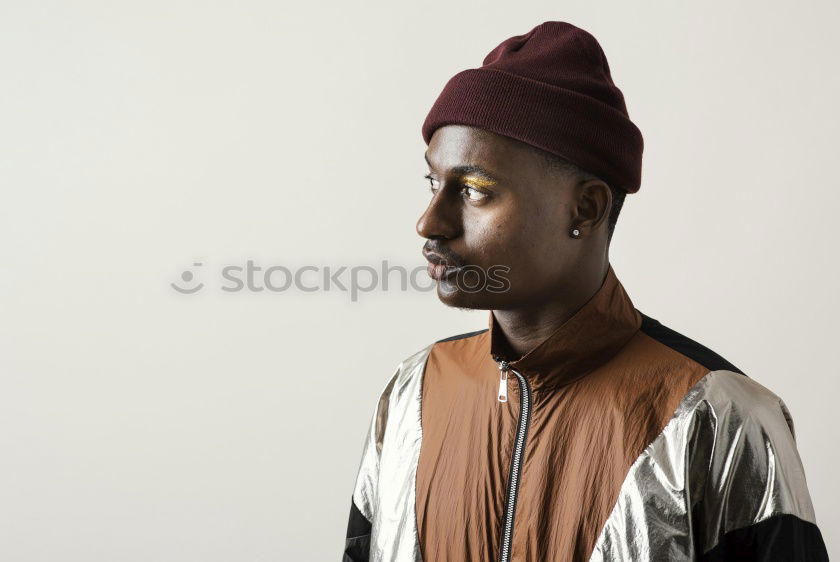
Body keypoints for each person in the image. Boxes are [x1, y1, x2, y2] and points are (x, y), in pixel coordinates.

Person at [341, 20, 828, 562]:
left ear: (587, 208)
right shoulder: (413, 396)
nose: (430, 223)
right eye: (435, 183)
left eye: (475, 191)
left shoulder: (719, 419)